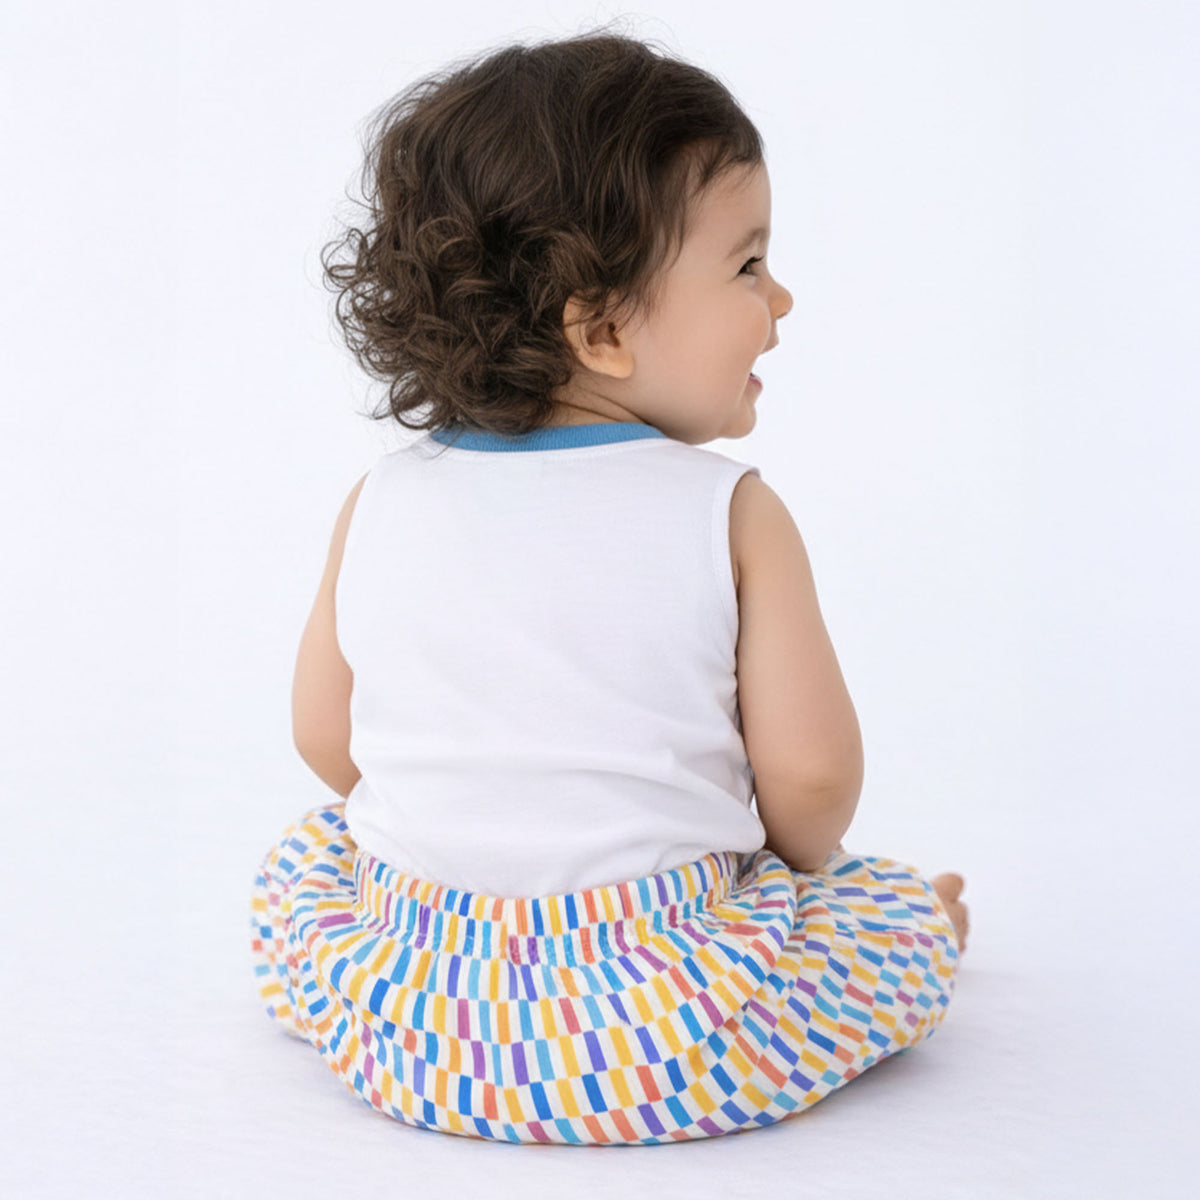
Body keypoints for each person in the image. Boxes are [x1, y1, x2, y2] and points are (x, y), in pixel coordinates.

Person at [249, 25, 969, 1146]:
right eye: (747, 266)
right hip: (663, 1029)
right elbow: (812, 786)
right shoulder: (730, 511)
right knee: (881, 909)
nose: (781, 300)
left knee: (307, 862)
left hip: (411, 1014)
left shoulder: (384, 496)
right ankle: (920, 936)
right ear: (600, 327)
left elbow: (329, 742)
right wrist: (811, 883)